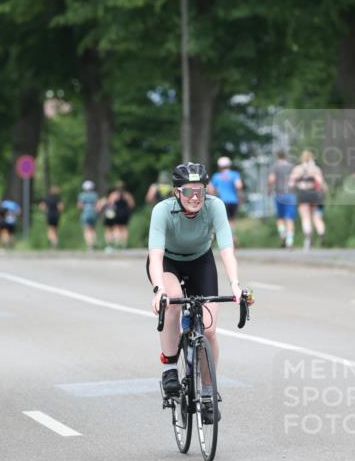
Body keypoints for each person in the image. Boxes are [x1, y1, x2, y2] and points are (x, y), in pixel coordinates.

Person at [147, 162, 247, 424]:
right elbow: (155, 256)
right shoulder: (162, 211)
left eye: (200, 191)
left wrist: (235, 284)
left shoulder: (215, 207)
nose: (195, 197)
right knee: (173, 303)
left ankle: (207, 391)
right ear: (176, 192)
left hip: (201, 260)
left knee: (210, 329)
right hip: (168, 262)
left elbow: (226, 249)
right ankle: (169, 368)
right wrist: (158, 290)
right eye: (189, 191)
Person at [288, 150, 327, 250]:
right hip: (313, 194)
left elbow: (291, 183)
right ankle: (321, 232)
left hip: (302, 194)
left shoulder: (298, 169)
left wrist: (296, 184)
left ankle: (308, 239)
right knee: (315, 216)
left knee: (305, 218)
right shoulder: (315, 169)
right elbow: (321, 182)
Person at [208, 156, 243, 242]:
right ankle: (233, 237)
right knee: (232, 220)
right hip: (233, 201)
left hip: (222, 201)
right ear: (229, 165)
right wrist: (240, 197)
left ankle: (225, 239)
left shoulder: (216, 176)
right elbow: (239, 186)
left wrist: (214, 197)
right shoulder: (234, 174)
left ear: (219, 166)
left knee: (223, 220)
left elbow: (211, 189)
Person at [267, 150, 296, 248]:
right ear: (285, 156)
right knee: (290, 218)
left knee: (280, 217)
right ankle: (289, 241)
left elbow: (271, 179)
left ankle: (282, 232)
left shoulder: (275, 166)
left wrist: (270, 190)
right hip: (291, 194)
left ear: (277, 156)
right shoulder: (291, 166)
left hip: (279, 195)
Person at [99, 181, 135, 251]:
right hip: (125, 213)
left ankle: (118, 243)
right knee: (124, 228)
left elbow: (110, 204)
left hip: (117, 213)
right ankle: (124, 245)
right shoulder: (127, 195)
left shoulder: (114, 195)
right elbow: (132, 204)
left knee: (117, 228)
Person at [77, 180, 99, 249]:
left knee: (86, 229)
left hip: (86, 212)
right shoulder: (95, 195)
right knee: (93, 229)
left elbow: (79, 206)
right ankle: (94, 241)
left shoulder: (82, 195)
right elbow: (98, 205)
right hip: (93, 212)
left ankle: (90, 244)